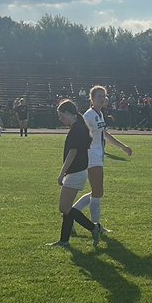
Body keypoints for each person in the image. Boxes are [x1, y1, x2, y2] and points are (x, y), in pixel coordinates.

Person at [72, 85, 133, 236]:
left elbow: (105, 134)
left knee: (97, 191)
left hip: (98, 155)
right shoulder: (88, 115)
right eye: (99, 96)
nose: (102, 99)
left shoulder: (99, 114)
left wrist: (123, 147)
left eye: (104, 96)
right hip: (91, 156)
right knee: (97, 192)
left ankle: (72, 214)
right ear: (92, 98)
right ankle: (95, 225)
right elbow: (78, 133)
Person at [49, 99, 100, 248]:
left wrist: (61, 174)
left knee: (64, 208)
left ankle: (93, 228)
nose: (60, 119)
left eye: (61, 115)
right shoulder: (79, 127)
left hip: (76, 172)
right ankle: (64, 241)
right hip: (78, 171)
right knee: (67, 209)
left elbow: (72, 153)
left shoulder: (77, 129)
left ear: (68, 113)